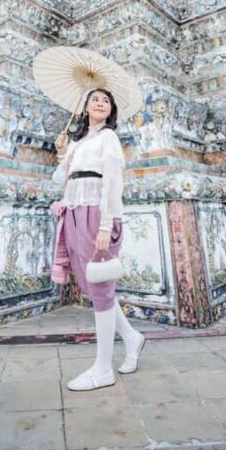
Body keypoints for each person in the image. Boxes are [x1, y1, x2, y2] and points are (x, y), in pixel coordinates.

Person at [51, 87, 145, 391]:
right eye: (95, 99)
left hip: (97, 215)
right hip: (75, 213)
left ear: (111, 109)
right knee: (94, 285)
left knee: (101, 286)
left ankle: (103, 368)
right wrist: (62, 151)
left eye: (106, 100)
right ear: (86, 107)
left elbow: (113, 183)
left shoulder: (108, 138)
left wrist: (106, 225)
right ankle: (131, 337)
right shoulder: (80, 142)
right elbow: (59, 179)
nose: (100, 103)